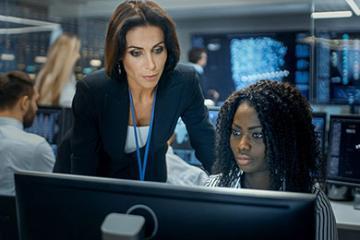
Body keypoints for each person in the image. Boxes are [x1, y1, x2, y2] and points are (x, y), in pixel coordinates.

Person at [70, 0, 215, 182]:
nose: (151, 65)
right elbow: (83, 166)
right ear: (120, 54)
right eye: (136, 53)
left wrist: (233, 190)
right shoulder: (93, 90)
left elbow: (205, 141)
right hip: (103, 192)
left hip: (153, 190)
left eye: (157, 50)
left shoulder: (184, 82)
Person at [205, 80, 338, 240]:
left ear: (283, 139)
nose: (242, 145)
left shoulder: (314, 205)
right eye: (236, 132)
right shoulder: (212, 190)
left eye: (257, 135)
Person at [0, 71, 55, 196]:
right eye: (35, 101)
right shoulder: (36, 147)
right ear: (24, 103)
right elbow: (52, 200)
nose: (36, 108)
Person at [35, 33, 80, 107]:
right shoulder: (49, 80)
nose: (78, 55)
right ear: (66, 55)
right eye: (75, 50)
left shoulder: (44, 77)